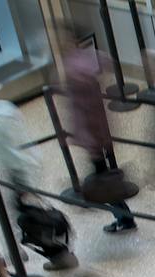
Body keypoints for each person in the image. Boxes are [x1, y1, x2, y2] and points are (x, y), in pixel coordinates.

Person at [61, 31, 136, 233]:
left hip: (93, 137)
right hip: (101, 133)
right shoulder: (87, 64)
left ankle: (125, 218)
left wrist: (84, 138)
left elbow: (83, 113)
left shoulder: (75, 74)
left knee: (104, 181)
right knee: (106, 176)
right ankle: (124, 216)